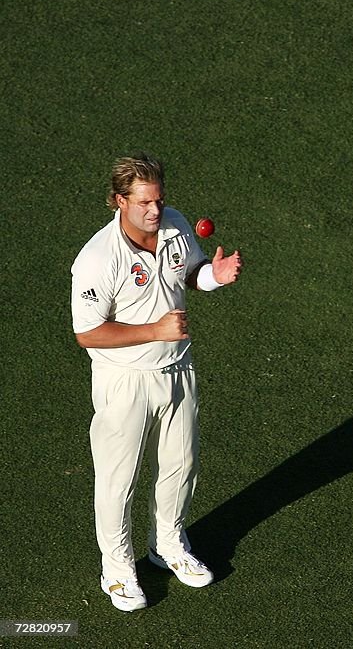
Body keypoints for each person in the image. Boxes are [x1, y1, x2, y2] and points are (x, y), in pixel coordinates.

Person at [70, 153, 243, 612]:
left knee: (181, 465)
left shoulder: (175, 223)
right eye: (144, 202)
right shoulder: (97, 259)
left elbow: (191, 272)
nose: (154, 210)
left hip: (177, 368)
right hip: (125, 379)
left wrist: (214, 277)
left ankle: (166, 544)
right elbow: (88, 332)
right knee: (118, 480)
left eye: (159, 199)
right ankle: (118, 568)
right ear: (119, 201)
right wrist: (155, 331)